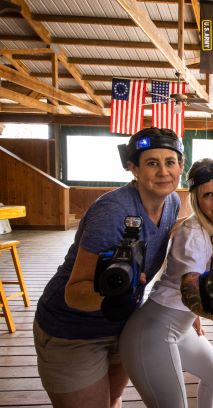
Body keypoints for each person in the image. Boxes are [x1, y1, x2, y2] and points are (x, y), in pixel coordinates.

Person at [33, 127, 184, 408]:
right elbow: (74, 293)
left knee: (113, 400)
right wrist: (115, 298)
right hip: (72, 331)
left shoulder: (173, 202)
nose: (163, 171)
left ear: (180, 166)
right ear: (133, 169)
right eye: (152, 163)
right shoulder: (112, 212)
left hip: (124, 324)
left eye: (170, 162)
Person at [119, 158, 213, 408]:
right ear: (197, 199)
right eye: (208, 195)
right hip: (153, 331)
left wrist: (195, 314)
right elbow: (189, 288)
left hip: (180, 325)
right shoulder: (193, 232)